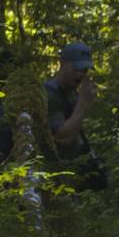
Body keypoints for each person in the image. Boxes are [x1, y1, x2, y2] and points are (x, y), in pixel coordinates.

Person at [41, 40, 108, 190]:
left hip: (70, 175)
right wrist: (83, 102)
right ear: (62, 63)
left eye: (84, 70)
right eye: (76, 68)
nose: (80, 75)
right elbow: (62, 136)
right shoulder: (49, 95)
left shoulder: (71, 91)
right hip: (54, 176)